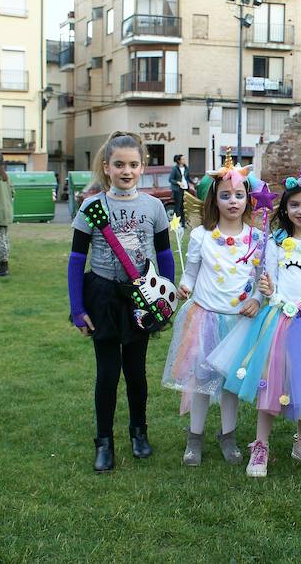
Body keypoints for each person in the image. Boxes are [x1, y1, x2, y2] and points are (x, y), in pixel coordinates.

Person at [207, 156, 301, 477]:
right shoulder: (276, 243)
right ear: (285, 209)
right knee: (271, 383)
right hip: (281, 321)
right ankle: (260, 444)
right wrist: (266, 288)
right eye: (295, 205)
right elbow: (268, 279)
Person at [68, 131, 175, 472]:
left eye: (133, 164)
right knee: (107, 374)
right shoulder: (92, 207)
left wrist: (166, 294)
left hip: (140, 299)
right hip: (103, 296)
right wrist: (77, 308)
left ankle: (138, 433)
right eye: (119, 165)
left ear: (142, 166)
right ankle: (104, 442)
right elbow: (75, 259)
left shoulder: (154, 206)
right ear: (106, 167)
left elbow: (164, 253)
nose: (126, 171)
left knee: (136, 371)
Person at [161, 151, 261, 467]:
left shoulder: (256, 238)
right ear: (214, 200)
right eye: (225, 195)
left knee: (231, 382)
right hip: (205, 318)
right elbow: (191, 271)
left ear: (248, 199)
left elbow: (260, 277)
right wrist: (185, 285)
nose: (233, 201)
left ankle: (228, 435)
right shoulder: (203, 236)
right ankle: (195, 437)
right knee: (201, 382)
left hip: (239, 322)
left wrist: (257, 297)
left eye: (239, 195)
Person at [169, 154, 190, 224]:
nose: (184, 160)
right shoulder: (175, 169)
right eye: (183, 159)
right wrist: (178, 182)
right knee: (177, 207)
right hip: (178, 190)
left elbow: (188, 179)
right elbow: (170, 179)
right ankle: (175, 224)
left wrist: (194, 182)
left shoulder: (186, 168)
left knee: (184, 207)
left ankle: (183, 224)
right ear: (179, 161)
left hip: (185, 189)